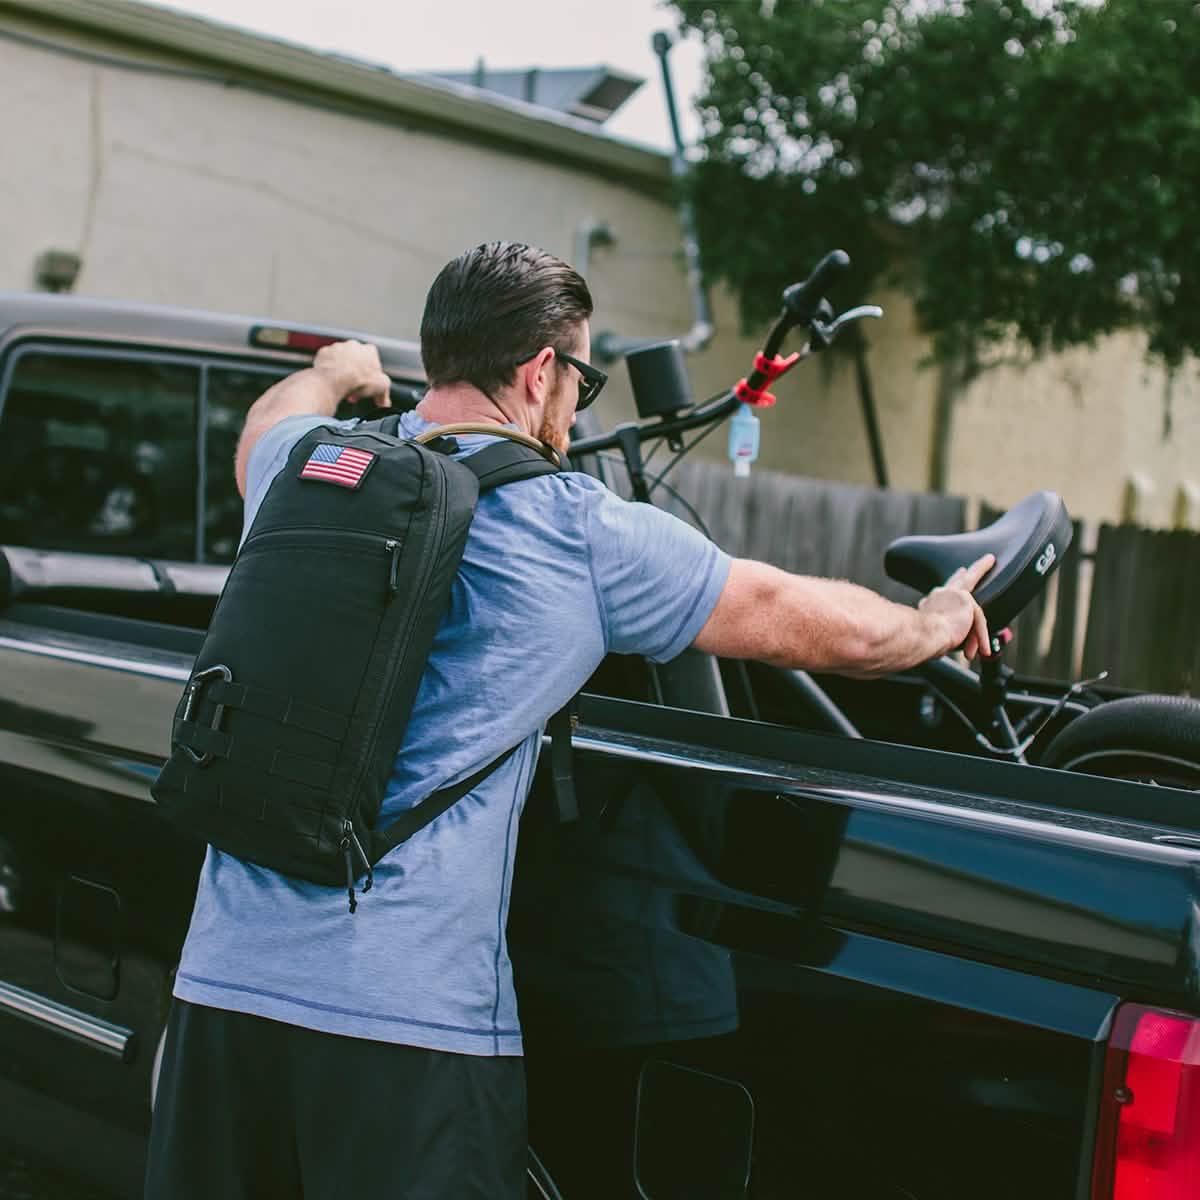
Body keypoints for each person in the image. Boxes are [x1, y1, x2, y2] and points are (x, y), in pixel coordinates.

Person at [145, 240, 991, 1200]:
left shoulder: (305, 469)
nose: (576, 409)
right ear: (541, 371)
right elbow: (814, 625)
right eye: (582, 383)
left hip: (218, 992)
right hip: (408, 1025)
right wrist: (935, 621)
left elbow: (266, 426)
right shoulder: (578, 530)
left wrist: (334, 373)